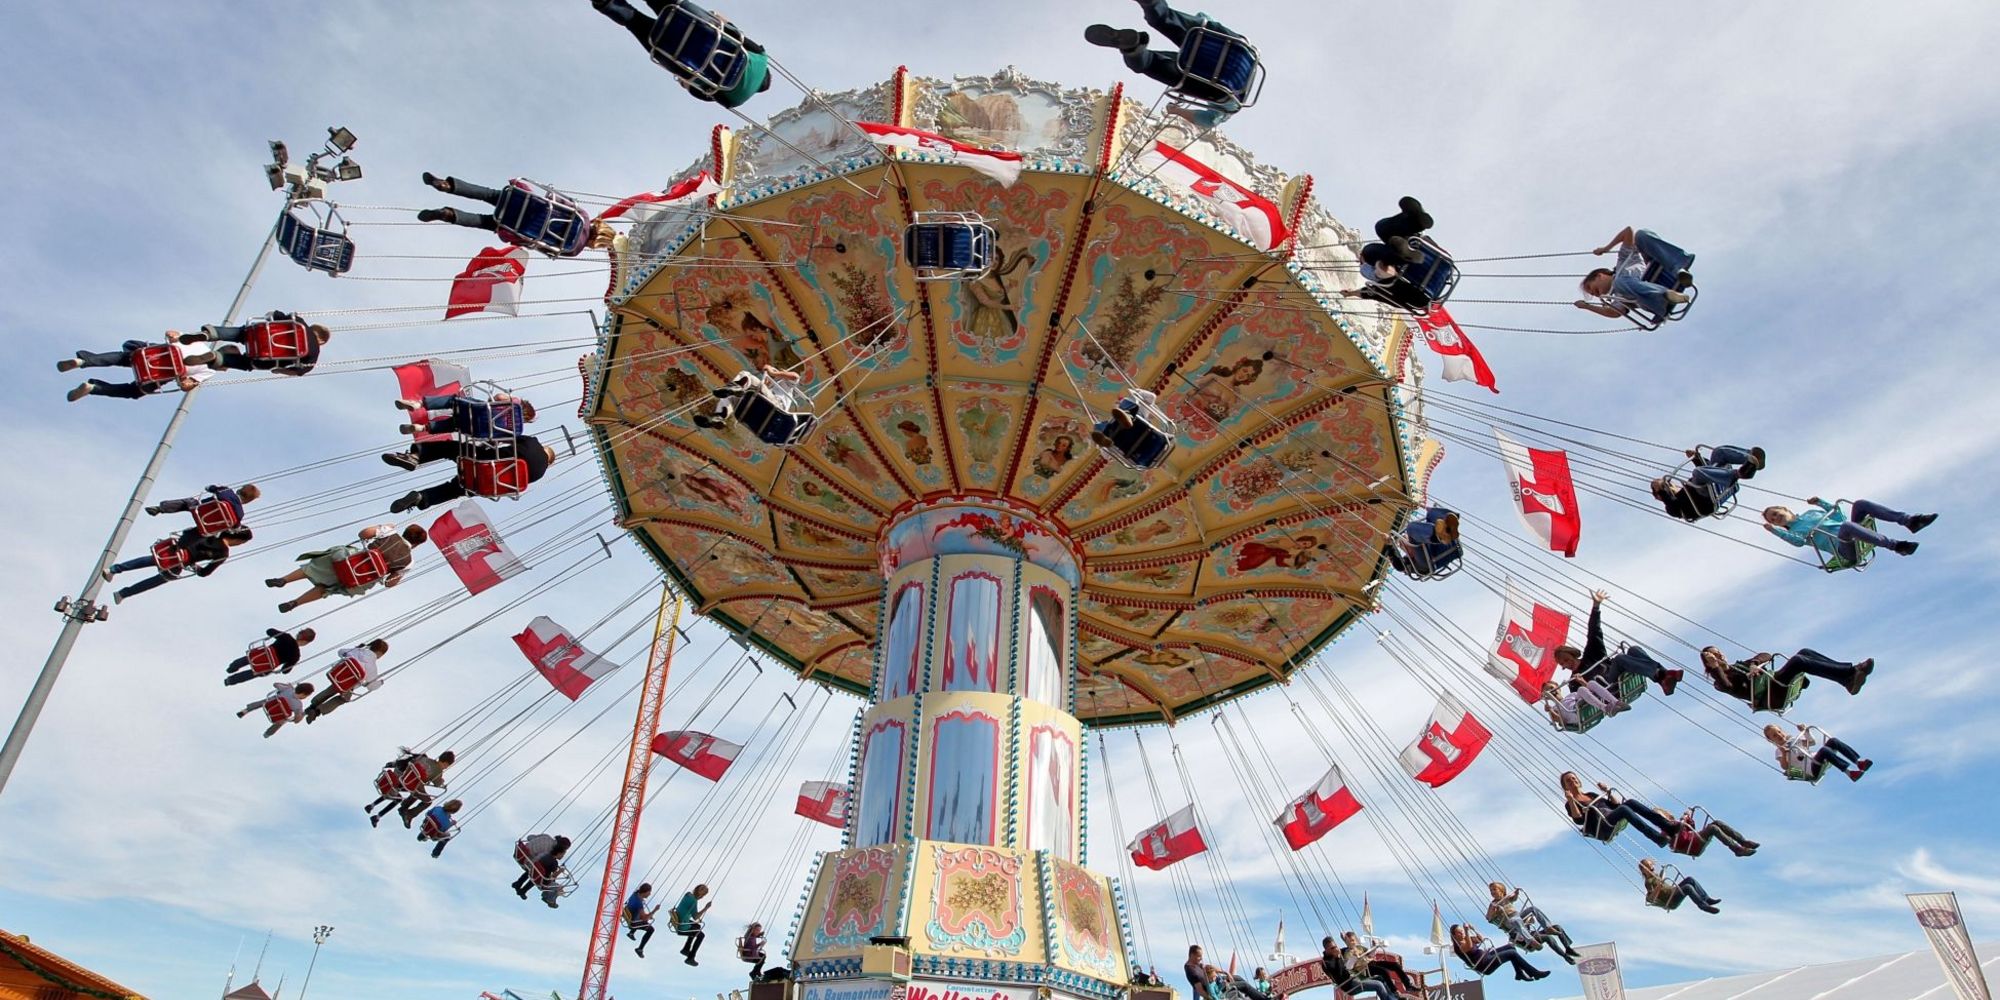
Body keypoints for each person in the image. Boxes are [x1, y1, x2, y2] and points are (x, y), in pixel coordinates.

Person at [1085, 1, 1250, 128]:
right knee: (1151, 63)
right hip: (1218, 84)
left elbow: (1203, 14)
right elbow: (1209, 120)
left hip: (1231, 46)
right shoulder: (1232, 105)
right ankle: (1133, 49)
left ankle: (1152, 4)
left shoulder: (1245, 55)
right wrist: (1176, 111)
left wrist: (1195, 22)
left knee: (1165, 18)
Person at [591, 0, 773, 109]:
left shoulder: (761, 59)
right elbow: (692, 86)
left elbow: (733, 32)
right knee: (635, 21)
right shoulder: (733, 100)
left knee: (662, 2)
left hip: (700, 28)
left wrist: (715, 17)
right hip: (678, 54)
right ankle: (608, 4)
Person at [268, 523, 428, 612]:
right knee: (327, 588)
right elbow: (390, 583)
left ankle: (283, 580)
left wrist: (383, 526)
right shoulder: (409, 562)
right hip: (360, 580)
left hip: (350, 560)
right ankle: (295, 603)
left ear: (406, 531)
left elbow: (363, 533)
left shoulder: (390, 532)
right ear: (417, 544)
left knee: (315, 566)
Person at [1554, 590, 1684, 695]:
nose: (1566, 665)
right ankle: (1662, 675)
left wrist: (1596, 606)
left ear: (1572, 655)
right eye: (1562, 664)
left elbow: (1594, 631)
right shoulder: (1573, 681)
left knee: (1634, 650)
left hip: (1618, 673)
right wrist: (1582, 683)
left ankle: (1663, 678)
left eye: (1566, 660)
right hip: (1608, 686)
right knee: (1619, 659)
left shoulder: (1591, 655)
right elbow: (1581, 700)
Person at [389, 435, 557, 513]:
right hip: (484, 484)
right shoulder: (540, 474)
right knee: (454, 490)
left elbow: (504, 438)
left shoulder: (533, 443)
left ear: (544, 448)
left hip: (481, 460)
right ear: (548, 463)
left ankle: (416, 457)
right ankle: (421, 497)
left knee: (451, 448)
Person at [1574, 226, 1695, 322]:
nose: (1594, 294)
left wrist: (1606, 248)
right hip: (1656, 303)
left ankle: (1679, 270)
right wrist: (1587, 306)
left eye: (1591, 288)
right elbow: (1614, 313)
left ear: (1600, 275)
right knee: (1619, 284)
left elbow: (1628, 231)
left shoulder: (1624, 260)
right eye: (1592, 294)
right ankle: (1666, 295)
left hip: (1665, 276)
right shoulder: (1616, 297)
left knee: (1641, 235)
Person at [104, 526, 251, 603]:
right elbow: (206, 572)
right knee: (161, 578)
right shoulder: (223, 553)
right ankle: (123, 593)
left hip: (175, 549)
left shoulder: (213, 532)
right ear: (239, 541)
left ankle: (114, 569)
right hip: (181, 562)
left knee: (152, 559)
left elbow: (190, 532)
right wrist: (197, 568)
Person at [1763, 498, 1935, 561]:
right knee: (1847, 528)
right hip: (1844, 549)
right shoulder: (1793, 532)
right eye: (1773, 519)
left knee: (1860, 504)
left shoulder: (1810, 513)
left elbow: (1839, 517)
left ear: (1784, 509)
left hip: (1851, 531)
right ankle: (1897, 546)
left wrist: (1821, 503)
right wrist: (1776, 532)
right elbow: (1798, 542)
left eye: (1776, 513)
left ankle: (1909, 521)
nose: (1776, 518)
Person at [59, 337, 215, 401]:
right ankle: (94, 388)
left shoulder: (199, 342)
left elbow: (172, 334)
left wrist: (174, 340)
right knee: (134, 391)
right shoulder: (210, 370)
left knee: (125, 356)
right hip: (161, 373)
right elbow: (186, 384)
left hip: (154, 353)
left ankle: (82, 361)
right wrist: (184, 382)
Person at [1700, 646, 1876, 702]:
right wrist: (1715, 668)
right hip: (1769, 694)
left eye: (1719, 652)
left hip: (1774, 683)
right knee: (1798, 661)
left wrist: (1754, 664)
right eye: (1714, 656)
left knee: (1805, 652)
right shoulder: (1720, 680)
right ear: (1709, 663)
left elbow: (1766, 655)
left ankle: (1846, 678)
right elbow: (1728, 686)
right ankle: (1850, 674)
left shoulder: (1738, 665)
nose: (1719, 656)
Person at [179, 313, 331, 376]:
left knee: (240, 333)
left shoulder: (300, 323)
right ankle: (217, 357)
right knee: (247, 363)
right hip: (266, 357)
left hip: (259, 335)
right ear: (322, 341)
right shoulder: (313, 355)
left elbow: (273, 314)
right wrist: (278, 370)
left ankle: (208, 334)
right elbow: (298, 371)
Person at [1650, 445, 1766, 521]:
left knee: (1718, 452)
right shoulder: (1672, 506)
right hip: (1704, 500)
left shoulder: (1688, 485)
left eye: (1669, 484)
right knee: (1698, 473)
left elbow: (1708, 469)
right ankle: (1738, 474)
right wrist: (1662, 492)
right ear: (1660, 496)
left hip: (1712, 486)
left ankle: (1751, 459)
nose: (1670, 486)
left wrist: (1696, 459)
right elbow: (1672, 505)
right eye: (1666, 486)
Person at [1559, 772, 1675, 847]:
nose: (1572, 781)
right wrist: (1571, 800)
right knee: (1624, 809)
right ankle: (1656, 837)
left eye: (1574, 778)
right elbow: (1579, 820)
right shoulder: (1570, 803)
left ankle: (1667, 826)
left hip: (1611, 816)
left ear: (1579, 781)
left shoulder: (1591, 794)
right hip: (1601, 826)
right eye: (1568, 781)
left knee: (1630, 802)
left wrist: (1607, 791)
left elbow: (1614, 805)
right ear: (1566, 787)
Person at [1485, 882, 1578, 962]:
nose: (1492, 892)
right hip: (1513, 927)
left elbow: (1514, 898)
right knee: (1517, 922)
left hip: (1519, 920)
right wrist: (1493, 909)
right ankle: (1563, 956)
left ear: (1501, 890)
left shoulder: (1507, 898)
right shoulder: (1493, 904)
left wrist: (1516, 892)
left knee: (1552, 923)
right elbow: (1489, 918)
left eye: (1494, 890)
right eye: (1491, 891)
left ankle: (1566, 946)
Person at [304, 639, 390, 723]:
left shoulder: (358, 651)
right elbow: (371, 686)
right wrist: (380, 683)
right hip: (348, 686)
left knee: (330, 690)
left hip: (338, 676)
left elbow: (341, 652)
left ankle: (313, 706)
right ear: (380, 653)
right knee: (343, 699)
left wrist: (355, 648)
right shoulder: (372, 667)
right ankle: (317, 711)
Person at [365, 748, 456, 826]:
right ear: (445, 763)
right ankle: (407, 814)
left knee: (409, 792)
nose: (445, 768)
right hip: (412, 785)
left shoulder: (425, 759)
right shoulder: (438, 771)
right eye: (447, 766)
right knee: (427, 801)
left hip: (403, 779)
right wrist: (442, 782)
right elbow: (437, 784)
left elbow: (411, 762)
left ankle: (373, 807)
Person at [696, 366, 804, 430]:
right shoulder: (773, 388)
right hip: (761, 409)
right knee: (731, 397)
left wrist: (773, 372)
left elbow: (795, 376)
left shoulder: (787, 385)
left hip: (776, 406)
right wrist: (767, 382)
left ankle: (737, 386)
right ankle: (719, 416)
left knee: (746, 375)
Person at [396, 391, 537, 440]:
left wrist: (492, 401)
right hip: (475, 430)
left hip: (477, 410)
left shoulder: (515, 403)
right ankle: (420, 428)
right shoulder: (514, 430)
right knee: (454, 425)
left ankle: (418, 404)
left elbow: (499, 396)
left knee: (453, 400)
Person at [1090, 388, 1172, 469]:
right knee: (1132, 410)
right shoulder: (1143, 414)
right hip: (1148, 447)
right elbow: (1151, 397)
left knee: (1111, 443)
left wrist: (1136, 392)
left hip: (1133, 446)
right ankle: (1127, 416)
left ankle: (1110, 438)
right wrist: (1136, 392)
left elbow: (1151, 396)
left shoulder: (1143, 414)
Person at [1765, 723, 1871, 782]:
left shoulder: (1793, 739)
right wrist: (1784, 753)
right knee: (1824, 750)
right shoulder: (1779, 751)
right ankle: (1850, 773)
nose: (1779, 735)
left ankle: (1859, 762)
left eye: (1779, 732)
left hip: (1815, 758)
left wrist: (1806, 731)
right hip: (1810, 769)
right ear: (1771, 740)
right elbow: (1784, 766)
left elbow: (1811, 742)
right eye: (1774, 735)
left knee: (1833, 741)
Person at [1449, 924, 1549, 982]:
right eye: (1459, 932)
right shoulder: (1458, 947)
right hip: (1484, 964)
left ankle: (1519, 973)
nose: (1461, 933)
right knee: (1511, 954)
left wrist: (1472, 929)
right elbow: (1469, 947)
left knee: (1510, 946)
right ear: (1454, 935)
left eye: (1461, 931)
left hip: (1487, 956)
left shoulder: (1468, 938)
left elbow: (1481, 939)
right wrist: (1466, 931)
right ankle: (1534, 972)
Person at [225, 627, 317, 686]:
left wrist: (278, 635)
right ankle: (230, 681)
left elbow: (269, 631)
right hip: (266, 666)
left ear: (299, 634)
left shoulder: (287, 637)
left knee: (249, 658)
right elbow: (285, 671)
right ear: (306, 642)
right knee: (252, 673)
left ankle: (232, 667)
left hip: (261, 655)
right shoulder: (296, 656)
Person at [146, 483, 261, 530]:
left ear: (240, 489)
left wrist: (213, 488)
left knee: (189, 502)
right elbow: (235, 527)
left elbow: (209, 488)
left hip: (199, 510)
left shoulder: (226, 491)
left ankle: (160, 508)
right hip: (208, 526)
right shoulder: (240, 514)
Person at [1385, 507, 1461, 577]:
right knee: (1411, 528)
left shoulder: (1424, 539)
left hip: (1443, 546)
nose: (1404, 542)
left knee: (1431, 513)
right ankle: (1439, 534)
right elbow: (1399, 566)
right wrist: (1390, 546)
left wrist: (1430, 510)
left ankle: (1449, 523)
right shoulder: (1410, 561)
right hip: (1427, 563)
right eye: (1402, 544)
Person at [1318, 936, 1400, 1000]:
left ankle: (1394, 997)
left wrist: (1346, 941)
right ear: (1326, 949)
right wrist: (1338, 958)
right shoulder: (1327, 963)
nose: (1335, 949)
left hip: (1356, 978)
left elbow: (1351, 948)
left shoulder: (1338, 952)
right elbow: (1340, 974)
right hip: (1349, 984)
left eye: (1335, 946)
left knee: (1380, 978)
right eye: (1332, 948)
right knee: (1378, 985)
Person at [1339, 931, 1415, 996]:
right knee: (1383, 972)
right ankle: (1394, 991)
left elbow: (1370, 955)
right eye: (1350, 941)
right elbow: (1349, 967)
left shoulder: (1360, 947)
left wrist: (1374, 946)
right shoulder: (1347, 953)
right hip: (1365, 969)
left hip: (1372, 963)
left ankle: (1408, 985)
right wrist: (1354, 958)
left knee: (1395, 965)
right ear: (1346, 942)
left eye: (1353, 940)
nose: (1352, 942)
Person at [1664, 805, 1758, 858]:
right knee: (1712, 828)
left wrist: (1688, 818)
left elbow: (1691, 828)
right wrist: (1682, 825)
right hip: (1692, 846)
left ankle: (1743, 842)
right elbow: (1680, 841)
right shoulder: (1665, 832)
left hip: (1694, 839)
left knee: (1717, 822)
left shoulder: (1676, 823)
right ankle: (1736, 849)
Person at [1639, 858, 1721, 914]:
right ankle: (1703, 905)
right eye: (1647, 866)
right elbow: (1652, 897)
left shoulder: (1656, 876)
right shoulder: (1648, 882)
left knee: (1690, 879)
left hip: (1673, 891)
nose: (1650, 867)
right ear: (1644, 871)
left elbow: (1661, 878)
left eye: (1651, 865)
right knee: (1687, 887)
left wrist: (1664, 869)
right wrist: (1659, 886)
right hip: (1670, 899)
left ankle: (1707, 899)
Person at [237, 681, 315, 739]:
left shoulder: (288, 689)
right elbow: (296, 720)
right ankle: (268, 733)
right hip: (278, 715)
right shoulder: (298, 705)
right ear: (303, 694)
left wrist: (287, 685)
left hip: (269, 705)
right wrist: (303, 714)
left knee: (263, 701)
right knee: (282, 722)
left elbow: (275, 684)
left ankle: (246, 710)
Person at [513, 833, 573, 907]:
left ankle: (518, 884)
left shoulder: (547, 836)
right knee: (537, 872)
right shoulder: (549, 854)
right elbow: (551, 875)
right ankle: (549, 899)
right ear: (560, 850)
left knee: (536, 870)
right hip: (528, 860)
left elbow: (529, 837)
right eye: (563, 852)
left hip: (521, 852)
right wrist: (559, 871)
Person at [1543, 678, 1627, 729]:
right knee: (1581, 690)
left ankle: (1616, 702)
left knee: (1590, 683)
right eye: (1548, 692)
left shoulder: (1571, 695)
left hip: (1584, 706)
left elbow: (1589, 693)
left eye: (1552, 688)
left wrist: (1581, 681)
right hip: (1577, 715)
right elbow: (1562, 722)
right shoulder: (1554, 708)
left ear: (1558, 688)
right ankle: (1606, 708)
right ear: (1547, 697)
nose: (1552, 692)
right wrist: (1550, 710)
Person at [675, 884, 714, 965]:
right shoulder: (693, 901)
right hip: (681, 926)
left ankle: (686, 949)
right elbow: (695, 917)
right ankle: (691, 958)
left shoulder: (688, 894)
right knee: (701, 935)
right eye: (703, 891)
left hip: (679, 920)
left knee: (697, 926)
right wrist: (706, 908)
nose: (702, 894)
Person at [626, 883, 661, 957]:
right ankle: (640, 949)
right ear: (645, 892)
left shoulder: (635, 895)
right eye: (649, 892)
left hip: (631, 915)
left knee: (644, 919)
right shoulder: (639, 903)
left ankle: (631, 933)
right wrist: (654, 910)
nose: (650, 894)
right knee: (651, 929)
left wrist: (648, 916)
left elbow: (642, 914)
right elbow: (644, 918)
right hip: (634, 923)